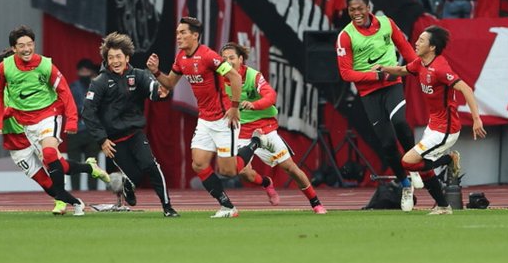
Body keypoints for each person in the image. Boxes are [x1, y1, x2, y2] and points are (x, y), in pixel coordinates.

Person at [146, 17, 274, 218]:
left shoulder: (208, 56)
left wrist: (234, 107)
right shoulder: (181, 58)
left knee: (228, 171)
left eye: (183, 32)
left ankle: (256, 142)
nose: (178, 36)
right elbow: (169, 83)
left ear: (195, 35)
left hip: (223, 119)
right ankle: (227, 207)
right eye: (177, 32)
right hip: (205, 120)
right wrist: (156, 72)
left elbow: (235, 77)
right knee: (198, 164)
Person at [372, 26, 487, 214]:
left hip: (446, 129)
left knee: (407, 162)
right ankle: (443, 206)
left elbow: (466, 89)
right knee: (424, 170)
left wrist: (476, 119)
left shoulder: (440, 68)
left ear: (432, 47)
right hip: (433, 125)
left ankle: (448, 159)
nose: (416, 43)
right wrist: (384, 68)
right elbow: (402, 69)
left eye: (422, 40)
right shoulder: (420, 63)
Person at [0, 49, 111, 214]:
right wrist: (2, 116)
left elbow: (55, 95)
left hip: (33, 132)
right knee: (45, 182)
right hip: (14, 142)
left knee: (55, 164)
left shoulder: (29, 81)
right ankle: (88, 172)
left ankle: (62, 202)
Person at [336, 0, 420, 211]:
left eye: (359, 9)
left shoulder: (386, 23)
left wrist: (417, 68)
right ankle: (405, 185)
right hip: (369, 93)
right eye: (352, 10)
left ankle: (415, 167)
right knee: (387, 144)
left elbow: (405, 47)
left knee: (400, 122)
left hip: (392, 84)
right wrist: (376, 76)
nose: (356, 13)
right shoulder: (345, 36)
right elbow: (346, 73)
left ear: (368, 8)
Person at [0, 25, 86, 215]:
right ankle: (75, 200)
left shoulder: (44, 65)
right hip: (20, 138)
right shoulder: (4, 78)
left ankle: (65, 197)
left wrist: (72, 120)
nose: (26, 49)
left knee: (51, 156)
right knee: (46, 182)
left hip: (45, 118)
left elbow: (64, 91)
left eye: (30, 44)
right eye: (21, 45)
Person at [220, 42, 327, 214]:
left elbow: (271, 95)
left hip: (265, 126)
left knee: (290, 168)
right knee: (241, 171)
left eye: (231, 58)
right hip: (241, 130)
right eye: (224, 58)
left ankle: (316, 203)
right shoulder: (219, 78)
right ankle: (266, 183)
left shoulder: (253, 76)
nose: (227, 62)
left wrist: (255, 105)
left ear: (240, 59)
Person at [82, 32, 180, 217]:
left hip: (135, 134)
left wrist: (160, 91)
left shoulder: (139, 75)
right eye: (111, 57)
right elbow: (88, 112)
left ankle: (168, 207)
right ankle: (128, 183)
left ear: (127, 57)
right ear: (106, 60)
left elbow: (153, 89)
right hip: (113, 141)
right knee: (136, 176)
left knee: (151, 166)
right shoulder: (99, 82)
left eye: (118, 56)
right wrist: (102, 139)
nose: (115, 61)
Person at [67, 58, 101, 191]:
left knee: (93, 165)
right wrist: (86, 110)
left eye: (87, 71)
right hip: (75, 130)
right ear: (78, 72)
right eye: (82, 71)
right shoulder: (73, 87)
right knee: (73, 164)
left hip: (92, 131)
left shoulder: (96, 87)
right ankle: (75, 192)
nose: (84, 73)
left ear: (91, 72)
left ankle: (93, 192)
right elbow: (70, 107)